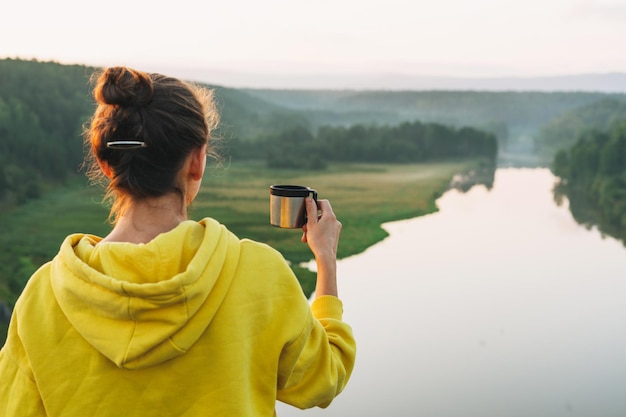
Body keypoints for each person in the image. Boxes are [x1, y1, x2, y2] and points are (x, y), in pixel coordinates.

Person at [0, 66, 355, 416]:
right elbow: (324, 379)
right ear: (197, 161)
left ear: (106, 163)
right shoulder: (260, 273)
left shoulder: (42, 296)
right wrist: (325, 259)